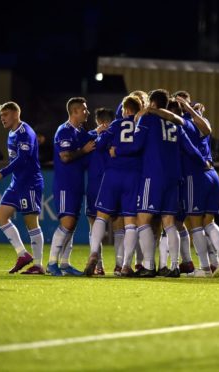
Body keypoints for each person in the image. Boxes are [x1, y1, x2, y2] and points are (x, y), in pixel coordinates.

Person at [109, 89, 208, 278]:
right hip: (173, 178)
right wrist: (204, 162)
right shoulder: (175, 124)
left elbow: (137, 145)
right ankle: (173, 266)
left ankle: (148, 265)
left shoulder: (148, 119)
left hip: (152, 176)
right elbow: (190, 149)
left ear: (152, 104)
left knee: (143, 220)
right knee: (169, 223)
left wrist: (118, 151)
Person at [174, 95, 219, 278]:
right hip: (212, 173)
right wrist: (194, 110)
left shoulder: (182, 124)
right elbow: (207, 129)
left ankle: (205, 268)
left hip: (195, 175)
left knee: (195, 224)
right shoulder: (200, 119)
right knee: (209, 222)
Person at [85, 97, 143, 277]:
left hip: (112, 175)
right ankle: (124, 265)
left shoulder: (116, 124)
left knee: (101, 217)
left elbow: (100, 144)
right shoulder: (142, 126)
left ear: (125, 110)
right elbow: (143, 147)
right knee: (129, 223)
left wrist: (114, 148)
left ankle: (94, 253)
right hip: (133, 176)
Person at [0, 102, 45, 274]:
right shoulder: (11, 133)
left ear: (15, 114)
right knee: (0, 217)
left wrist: (1, 173)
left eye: (5, 115)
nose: (2, 119)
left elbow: (23, 158)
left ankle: (38, 265)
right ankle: (22, 254)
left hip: (30, 183)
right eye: (1, 116)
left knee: (31, 223)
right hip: (16, 183)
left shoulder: (25, 132)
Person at [46, 97, 96, 276]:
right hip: (65, 184)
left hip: (76, 183)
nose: (87, 112)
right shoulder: (64, 131)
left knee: (72, 224)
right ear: (74, 112)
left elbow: (91, 139)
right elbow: (65, 157)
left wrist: (101, 130)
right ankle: (52, 263)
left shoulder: (80, 131)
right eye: (84, 109)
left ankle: (65, 264)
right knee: (67, 223)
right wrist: (83, 151)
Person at [84, 107, 116, 276]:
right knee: (121, 225)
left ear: (99, 122)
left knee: (94, 224)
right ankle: (121, 264)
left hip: (95, 184)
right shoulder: (118, 137)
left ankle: (98, 264)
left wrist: (94, 132)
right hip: (114, 182)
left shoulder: (91, 139)